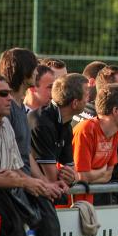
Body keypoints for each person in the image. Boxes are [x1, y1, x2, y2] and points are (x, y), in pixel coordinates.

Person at [28, 73, 87, 204]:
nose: (88, 100)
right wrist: (69, 178)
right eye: (86, 96)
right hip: (27, 196)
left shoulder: (66, 125)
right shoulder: (42, 123)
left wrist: (72, 178)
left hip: (40, 194)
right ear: (75, 103)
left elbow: (71, 171)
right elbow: (52, 178)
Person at [73, 85, 118, 205]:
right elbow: (82, 176)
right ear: (115, 111)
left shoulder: (116, 133)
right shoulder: (86, 129)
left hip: (92, 200)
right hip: (71, 203)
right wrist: (101, 171)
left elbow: (108, 175)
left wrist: (92, 175)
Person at [0, 47, 38, 175]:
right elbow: (6, 158)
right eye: (34, 68)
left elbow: (25, 153)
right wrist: (28, 182)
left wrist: (45, 182)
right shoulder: (6, 109)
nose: (37, 72)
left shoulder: (20, 105)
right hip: (14, 183)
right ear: (24, 71)